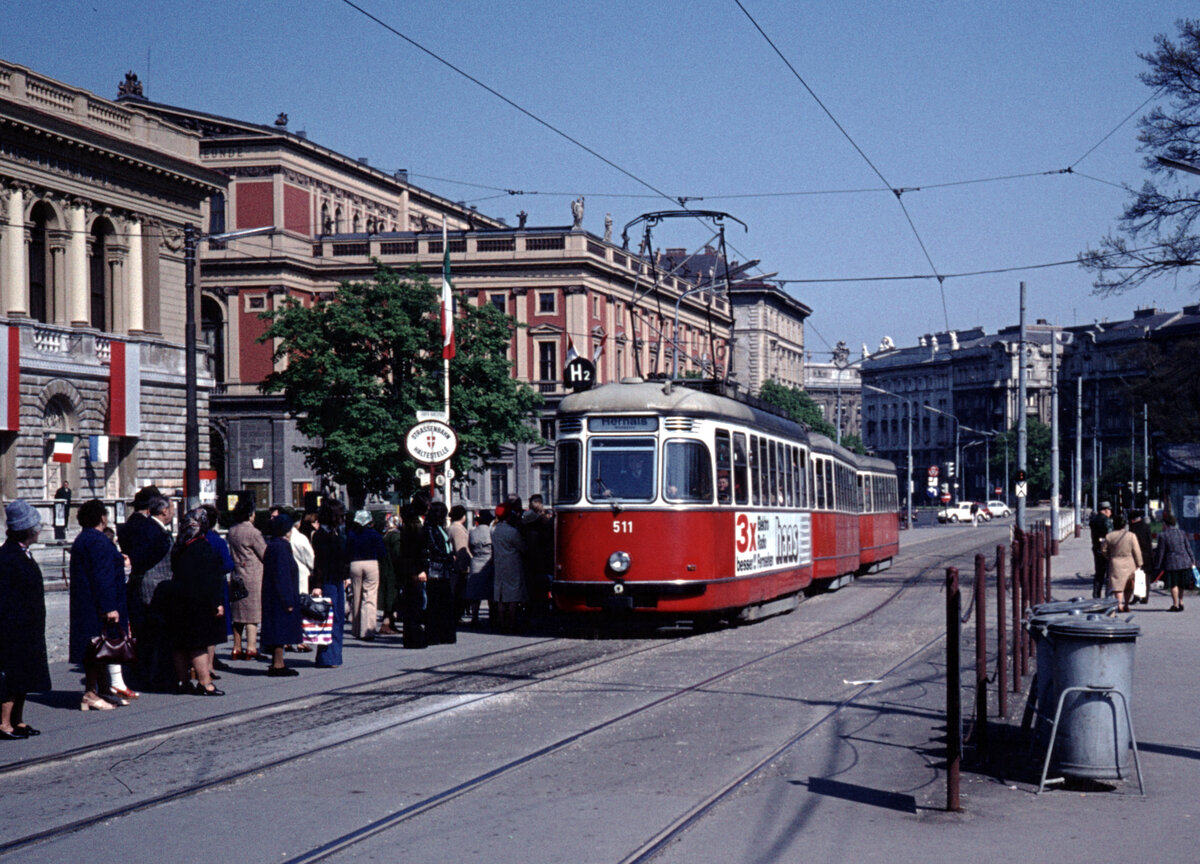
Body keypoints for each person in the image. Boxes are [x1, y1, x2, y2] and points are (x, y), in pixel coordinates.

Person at [69, 499, 134, 710]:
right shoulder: (97, 541)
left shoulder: (84, 539)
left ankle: (104, 689)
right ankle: (91, 692)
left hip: (88, 602)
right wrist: (109, 606)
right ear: (102, 518)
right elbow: (102, 576)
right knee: (98, 648)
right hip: (99, 605)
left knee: (102, 649)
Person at [0, 500, 52, 739]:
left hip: (29, 627)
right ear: (27, 529)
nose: (39, 529)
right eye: (36, 525)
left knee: (25, 675)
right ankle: (4, 723)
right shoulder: (9, 556)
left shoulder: (22, 553)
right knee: (12, 676)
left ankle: (18, 720)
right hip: (14, 627)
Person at [168, 508, 226, 695]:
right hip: (199, 601)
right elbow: (211, 579)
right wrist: (216, 602)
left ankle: (183, 681)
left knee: (180, 644)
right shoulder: (203, 547)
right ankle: (205, 682)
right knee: (198, 644)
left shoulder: (180, 545)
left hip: (178, 599)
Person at [126, 494, 175, 690]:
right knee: (153, 636)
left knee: (152, 637)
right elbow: (144, 561)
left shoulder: (151, 527)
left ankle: (153, 675)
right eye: (171, 509)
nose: (172, 512)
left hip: (154, 588)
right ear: (164, 511)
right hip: (153, 589)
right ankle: (153, 678)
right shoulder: (153, 530)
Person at [260, 513, 303, 676]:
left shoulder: (272, 545)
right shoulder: (281, 547)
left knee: (276, 628)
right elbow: (282, 574)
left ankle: (277, 662)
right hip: (280, 596)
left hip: (272, 594)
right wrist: (288, 599)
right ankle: (278, 664)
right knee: (280, 630)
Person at [310, 498, 350, 667]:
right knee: (329, 620)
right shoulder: (321, 534)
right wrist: (317, 585)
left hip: (337, 578)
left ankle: (334, 655)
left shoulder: (337, 532)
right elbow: (319, 562)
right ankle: (327, 657)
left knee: (338, 618)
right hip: (326, 579)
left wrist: (346, 575)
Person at [227, 499, 266, 660]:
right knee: (252, 614)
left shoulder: (232, 531)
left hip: (237, 574)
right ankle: (251, 648)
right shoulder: (253, 533)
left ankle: (237, 647)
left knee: (238, 614)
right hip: (253, 575)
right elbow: (264, 553)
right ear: (250, 514)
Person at [421, 501, 458, 644]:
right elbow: (434, 547)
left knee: (444, 602)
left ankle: (444, 634)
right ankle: (435, 634)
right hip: (436, 568)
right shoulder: (430, 528)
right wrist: (446, 557)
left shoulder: (438, 527)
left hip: (443, 568)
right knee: (436, 602)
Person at [346, 510, 386, 640]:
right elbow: (382, 552)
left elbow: (347, 550)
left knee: (356, 596)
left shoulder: (351, 534)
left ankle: (356, 629)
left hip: (355, 564)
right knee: (369, 595)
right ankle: (367, 630)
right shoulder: (374, 534)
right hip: (371, 563)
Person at [492, 498, 528, 633]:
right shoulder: (512, 532)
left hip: (499, 563)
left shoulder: (495, 531)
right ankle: (511, 623)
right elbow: (522, 547)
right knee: (512, 595)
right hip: (512, 564)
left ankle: (501, 622)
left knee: (500, 595)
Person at [398, 501, 429, 649]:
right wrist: (421, 569)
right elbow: (421, 551)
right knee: (416, 605)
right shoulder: (417, 529)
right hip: (415, 570)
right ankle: (416, 637)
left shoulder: (404, 529)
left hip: (407, 570)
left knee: (409, 605)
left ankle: (409, 637)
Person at [1153, 512, 1197, 612]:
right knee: (1181, 584)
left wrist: (1157, 564)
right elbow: (1188, 548)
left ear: (1165, 524)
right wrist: (1192, 560)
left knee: (1174, 584)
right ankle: (1181, 601)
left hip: (1172, 563)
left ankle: (1175, 604)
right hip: (1184, 561)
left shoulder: (1163, 536)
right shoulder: (1182, 533)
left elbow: (1161, 552)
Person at [1102, 513, 1143, 613]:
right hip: (1129, 562)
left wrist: (1110, 557)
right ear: (1125, 525)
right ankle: (1127, 604)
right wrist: (1139, 563)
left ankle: (1119, 604)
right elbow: (1136, 550)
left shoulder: (1109, 536)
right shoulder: (1131, 536)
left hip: (1115, 562)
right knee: (1128, 586)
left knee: (1118, 586)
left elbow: (1103, 550)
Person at [523, 495, 555, 620]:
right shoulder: (544, 527)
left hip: (532, 563)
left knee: (534, 591)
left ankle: (534, 614)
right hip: (543, 563)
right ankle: (543, 613)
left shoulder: (526, 528)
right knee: (543, 591)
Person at [288, 511, 316, 651]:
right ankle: (300, 639)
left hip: (287, 575)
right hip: (301, 574)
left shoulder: (283, 538)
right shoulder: (301, 539)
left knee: (288, 608)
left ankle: (287, 639)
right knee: (301, 608)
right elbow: (311, 558)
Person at [466, 509, 495, 626]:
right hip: (488, 561)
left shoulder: (472, 531)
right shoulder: (491, 531)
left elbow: (469, 547)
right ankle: (492, 616)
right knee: (490, 593)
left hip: (476, 561)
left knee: (475, 594)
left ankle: (474, 617)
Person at [379, 513, 403, 635]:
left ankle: (389, 622)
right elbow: (398, 554)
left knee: (388, 595)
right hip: (393, 570)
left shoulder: (385, 535)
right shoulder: (395, 536)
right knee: (391, 596)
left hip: (384, 568)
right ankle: (387, 623)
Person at [448, 504, 471, 618]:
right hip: (459, 566)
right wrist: (463, 567)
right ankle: (457, 615)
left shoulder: (453, 527)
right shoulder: (458, 529)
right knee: (458, 592)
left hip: (455, 566)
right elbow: (461, 549)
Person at [1089, 501, 1114, 599]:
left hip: (1096, 548)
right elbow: (1110, 535)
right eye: (1110, 510)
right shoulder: (1106, 520)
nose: (1110, 512)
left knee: (1098, 574)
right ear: (1106, 510)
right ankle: (1108, 597)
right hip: (1106, 550)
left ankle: (1096, 596)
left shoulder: (1094, 520)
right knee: (1108, 574)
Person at [1128, 510, 1154, 605]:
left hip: (1137, 555)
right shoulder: (1146, 526)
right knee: (1146, 576)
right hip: (1147, 554)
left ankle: (1137, 596)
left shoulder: (1133, 528)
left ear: (1133, 520)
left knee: (1137, 577)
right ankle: (1145, 597)